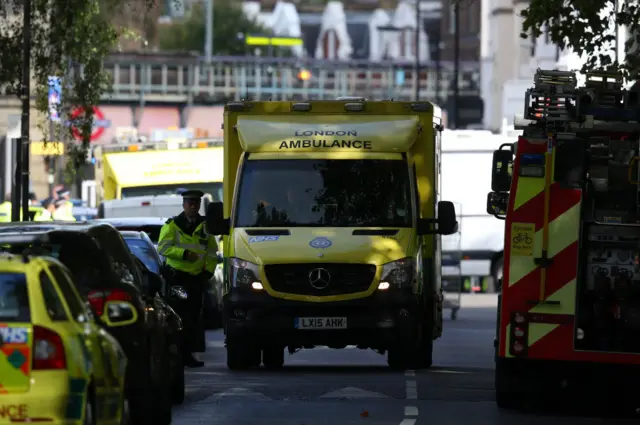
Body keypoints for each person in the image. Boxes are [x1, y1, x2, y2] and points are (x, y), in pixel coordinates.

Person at [157, 190, 220, 368]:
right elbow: (163, 248)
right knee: (179, 317)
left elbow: (211, 253)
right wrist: (184, 254)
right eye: (190, 203)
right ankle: (177, 355)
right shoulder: (172, 225)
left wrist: (208, 272)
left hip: (196, 279)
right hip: (178, 279)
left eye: (196, 203)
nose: (193, 206)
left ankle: (188, 355)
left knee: (193, 319)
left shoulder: (205, 227)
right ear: (184, 205)